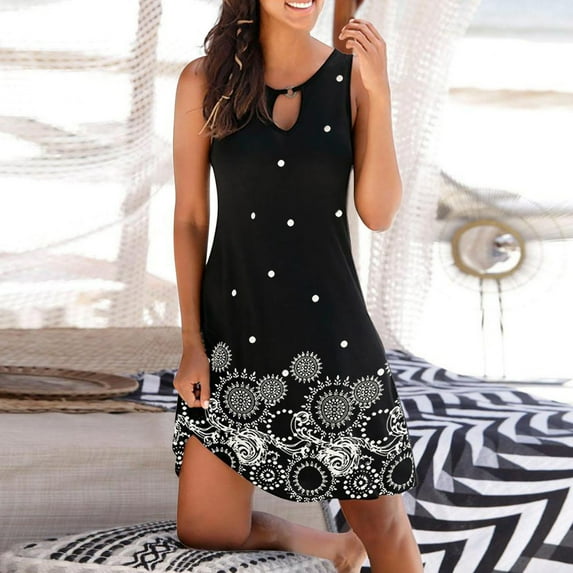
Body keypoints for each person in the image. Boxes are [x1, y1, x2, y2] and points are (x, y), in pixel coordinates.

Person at [171, 0, 423, 571]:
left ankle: (356, 543)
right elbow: (190, 217)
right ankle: (335, 548)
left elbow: (378, 213)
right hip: (234, 336)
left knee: (384, 527)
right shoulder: (205, 80)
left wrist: (379, 92)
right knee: (207, 531)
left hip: (332, 337)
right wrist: (191, 341)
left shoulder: (352, 78)